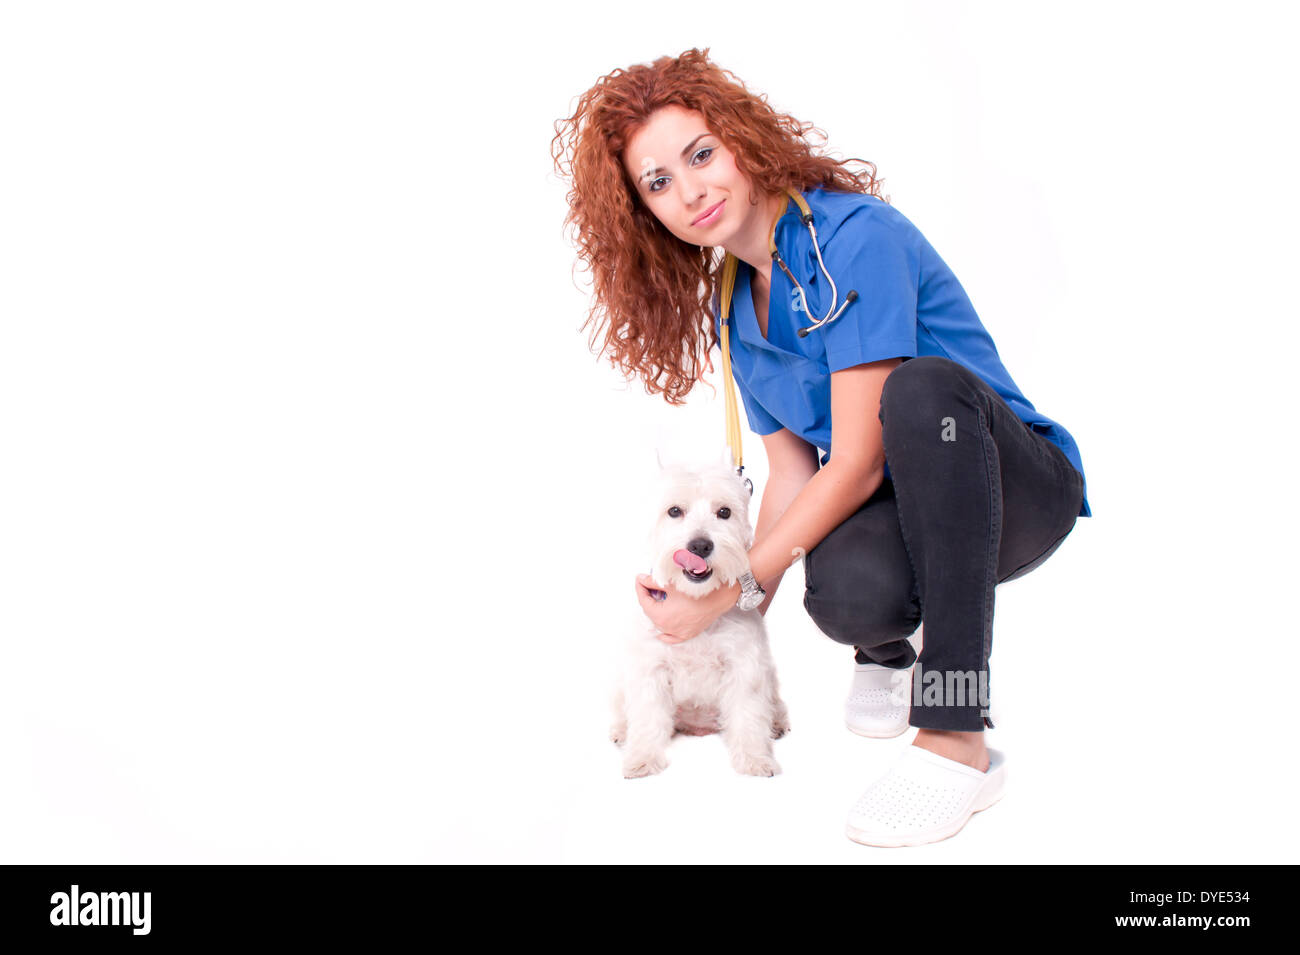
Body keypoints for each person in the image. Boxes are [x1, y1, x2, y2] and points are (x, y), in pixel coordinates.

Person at [551, 48, 1090, 847]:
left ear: (740, 138)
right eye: (658, 182)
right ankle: (887, 650)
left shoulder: (855, 236)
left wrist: (743, 580)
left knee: (921, 389)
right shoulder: (736, 303)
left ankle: (956, 732)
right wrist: (716, 603)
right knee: (839, 591)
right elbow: (792, 474)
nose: (690, 190)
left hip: (1011, 487)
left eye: (700, 154)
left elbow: (862, 459)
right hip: (912, 511)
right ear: (644, 212)